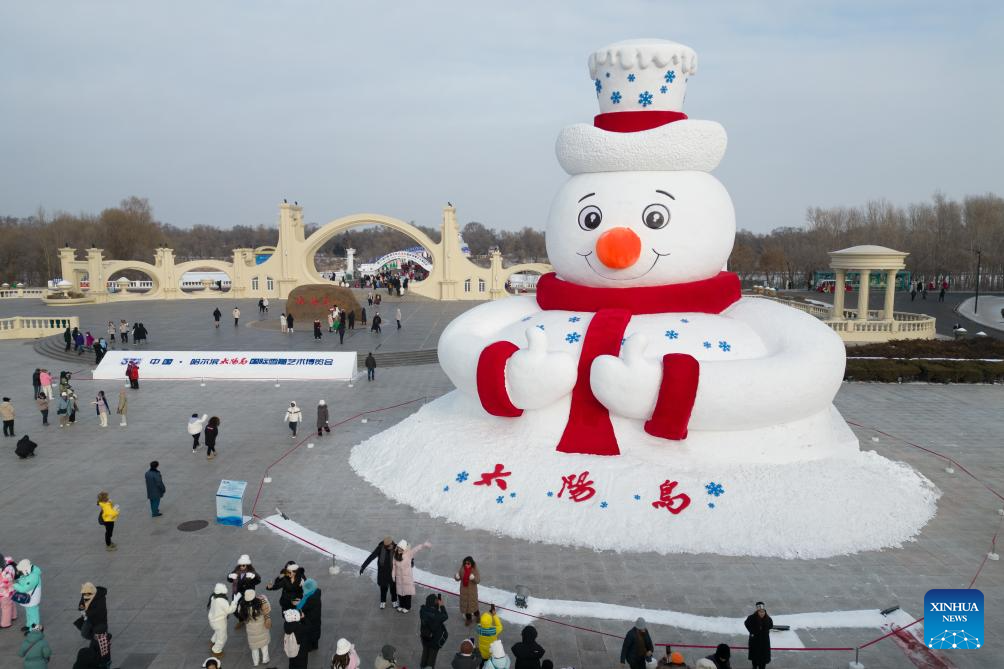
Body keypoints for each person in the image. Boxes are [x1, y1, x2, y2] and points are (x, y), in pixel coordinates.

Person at [392, 539, 431, 613]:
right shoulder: (395, 555)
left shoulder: (408, 554)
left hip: (407, 578)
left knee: (407, 593)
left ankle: (407, 607)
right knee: (400, 593)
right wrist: (393, 575)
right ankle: (401, 605)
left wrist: (423, 545)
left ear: (404, 549)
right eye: (398, 548)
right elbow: (394, 566)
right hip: (399, 578)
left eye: (401, 548)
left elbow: (416, 549)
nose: (399, 550)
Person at [360, 538, 398, 609]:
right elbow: (371, 557)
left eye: (392, 545)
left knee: (393, 588)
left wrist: (411, 561)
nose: (391, 546)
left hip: (393, 572)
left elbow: (405, 554)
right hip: (382, 572)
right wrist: (363, 567)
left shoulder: (395, 547)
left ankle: (394, 600)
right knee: (383, 588)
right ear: (386, 546)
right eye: (390, 546)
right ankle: (383, 601)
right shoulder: (380, 548)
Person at [238, 589, 271, 667]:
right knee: (264, 645)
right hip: (262, 628)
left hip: (251, 631)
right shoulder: (260, 602)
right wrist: (264, 598)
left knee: (254, 648)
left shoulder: (242, 606)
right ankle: (265, 659)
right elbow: (268, 609)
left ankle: (255, 662)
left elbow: (239, 612)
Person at [207, 583, 238, 658]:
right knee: (222, 637)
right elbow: (229, 610)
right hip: (219, 621)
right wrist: (235, 602)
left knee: (218, 631)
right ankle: (216, 650)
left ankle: (213, 641)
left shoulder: (213, 596)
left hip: (213, 620)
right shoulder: (222, 600)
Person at [419, 594, 449, 669]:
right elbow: (445, 616)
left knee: (425, 651)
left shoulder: (422, 610)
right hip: (434, 639)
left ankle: (422, 666)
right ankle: (429, 666)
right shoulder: (437, 615)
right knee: (432, 654)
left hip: (424, 636)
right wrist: (441, 606)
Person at [13, 560, 42, 630]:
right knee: (29, 612)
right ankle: (29, 625)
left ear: (26, 569)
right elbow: (23, 579)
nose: (21, 572)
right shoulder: (30, 572)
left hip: (32, 598)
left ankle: (34, 630)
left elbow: (24, 588)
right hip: (29, 598)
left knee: (33, 614)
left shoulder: (33, 577)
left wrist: (14, 585)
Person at [294, 578, 321, 651]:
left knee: (309, 634)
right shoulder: (316, 592)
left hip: (309, 620)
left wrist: (298, 603)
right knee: (316, 633)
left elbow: (300, 607)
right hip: (316, 619)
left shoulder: (310, 598)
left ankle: (309, 648)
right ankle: (315, 646)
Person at [744, 602, 772, 669]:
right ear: (757, 611)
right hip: (755, 642)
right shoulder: (751, 618)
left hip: (764, 643)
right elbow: (746, 623)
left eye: (763, 612)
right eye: (760, 612)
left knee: (763, 661)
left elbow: (771, 626)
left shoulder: (768, 619)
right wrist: (751, 632)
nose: (762, 613)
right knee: (755, 660)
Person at [454, 556, 480, 626]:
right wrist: (456, 577)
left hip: (472, 593)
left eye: (468, 564)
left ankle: (477, 616)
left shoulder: (474, 570)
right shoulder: (462, 569)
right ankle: (469, 619)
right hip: (464, 592)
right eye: (465, 563)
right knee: (466, 608)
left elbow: (478, 580)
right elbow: (458, 577)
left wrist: (473, 578)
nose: (466, 565)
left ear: (471, 563)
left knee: (474, 606)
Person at [1, 556, 18, 629]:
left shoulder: (5, 574)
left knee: (6, 608)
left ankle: (5, 623)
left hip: (4, 594)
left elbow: (4, 584)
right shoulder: (9, 567)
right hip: (9, 592)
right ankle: (14, 615)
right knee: (11, 603)